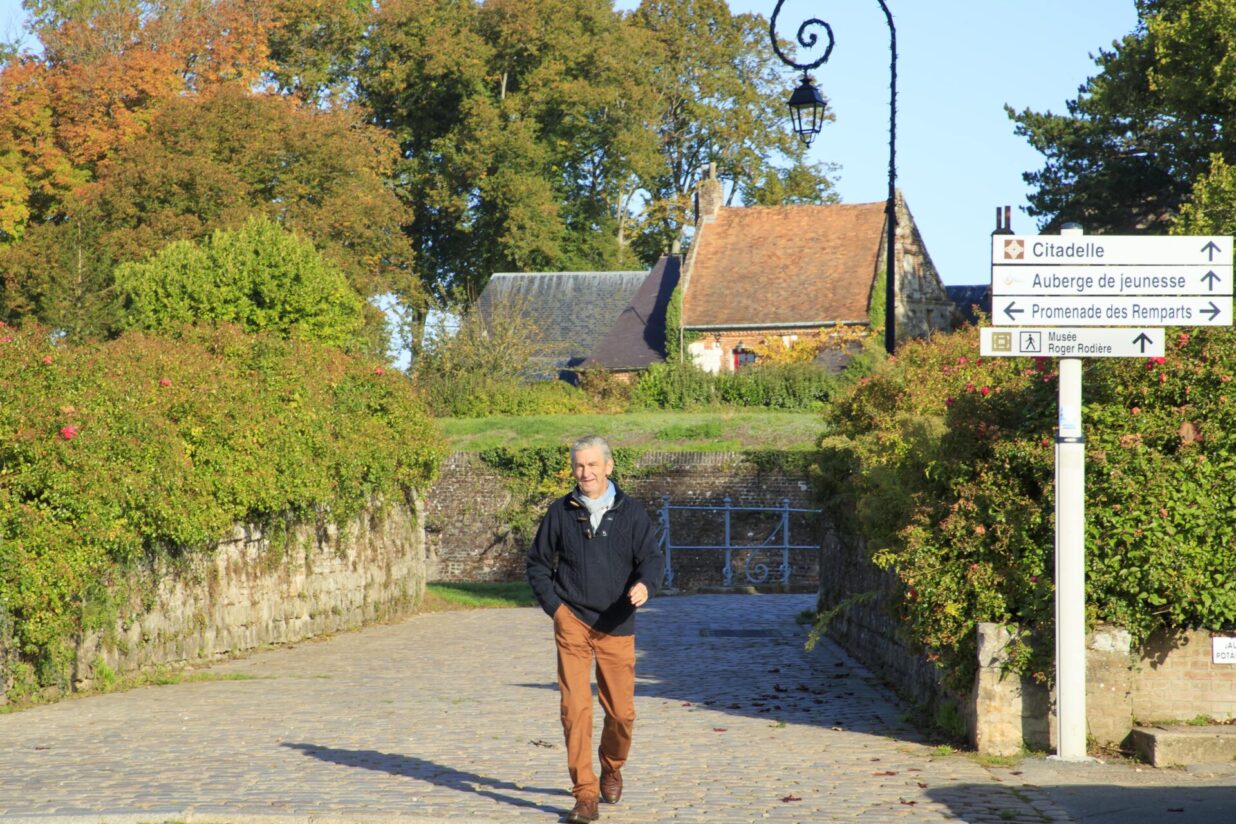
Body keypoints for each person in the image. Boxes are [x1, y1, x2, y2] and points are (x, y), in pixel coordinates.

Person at [526, 435, 664, 824]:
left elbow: (652, 560)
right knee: (575, 709)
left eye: (591, 465)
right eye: (578, 466)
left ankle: (612, 766)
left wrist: (645, 585)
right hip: (572, 623)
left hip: (617, 623)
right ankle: (584, 793)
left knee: (621, 713)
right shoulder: (561, 511)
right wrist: (556, 609)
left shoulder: (632, 512)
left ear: (608, 466)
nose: (584, 473)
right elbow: (537, 564)